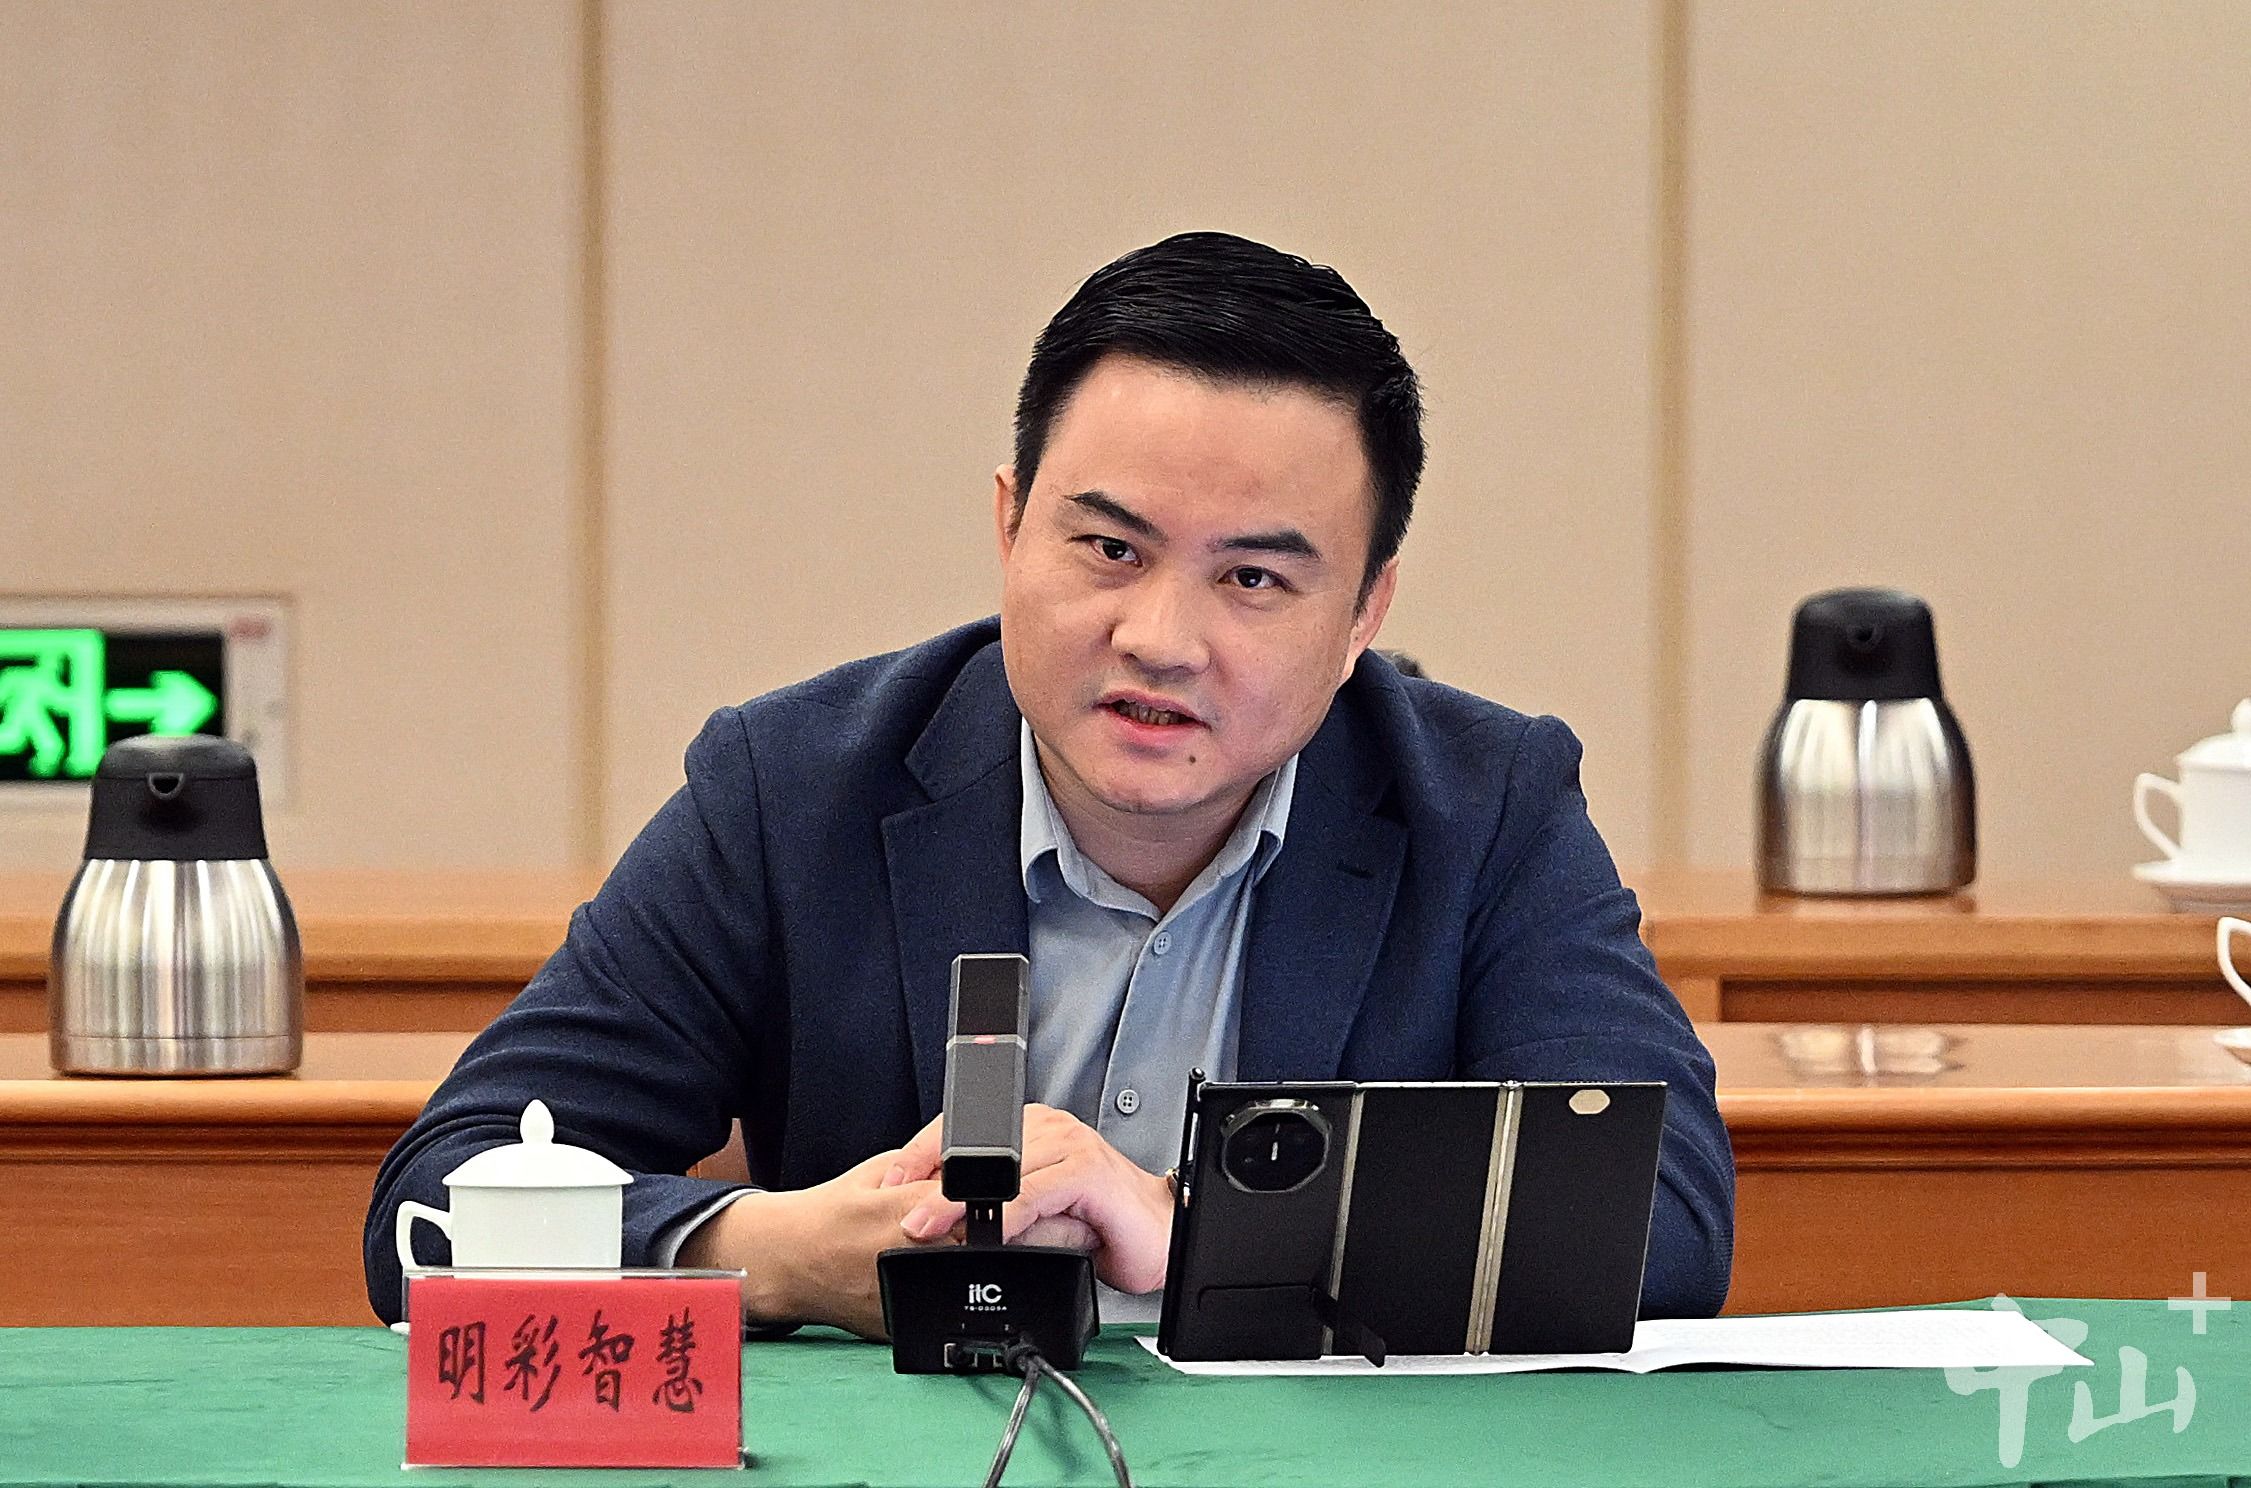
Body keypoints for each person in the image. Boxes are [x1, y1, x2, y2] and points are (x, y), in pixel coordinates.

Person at [364, 231, 1734, 1335]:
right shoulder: (793, 791)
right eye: (1110, 550)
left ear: (1366, 610)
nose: (1161, 640)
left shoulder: (1487, 809)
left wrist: (1200, 1230)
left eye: (1255, 578)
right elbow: (435, 1207)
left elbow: (1662, 1219)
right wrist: (779, 1254)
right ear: (1011, 523)